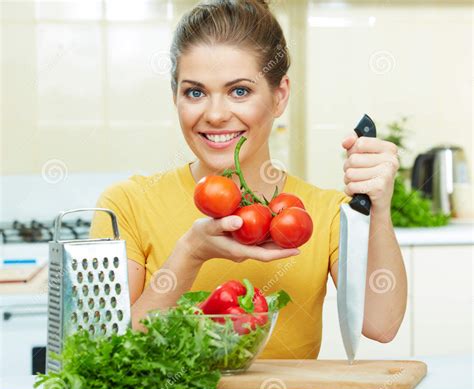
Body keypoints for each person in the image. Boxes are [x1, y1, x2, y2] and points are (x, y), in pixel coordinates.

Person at [90, 0, 407, 359]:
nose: (215, 114)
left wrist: (379, 208)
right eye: (195, 92)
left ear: (279, 96)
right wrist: (189, 255)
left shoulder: (324, 212)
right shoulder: (127, 204)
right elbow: (103, 355)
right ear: (175, 96)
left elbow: (382, 325)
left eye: (239, 91)